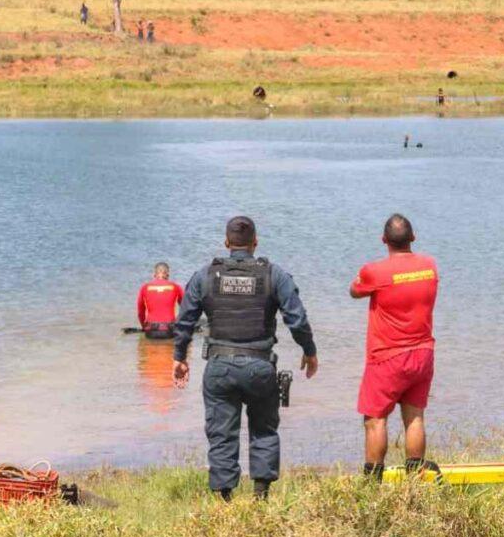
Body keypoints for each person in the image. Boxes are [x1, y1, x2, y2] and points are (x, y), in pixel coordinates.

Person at [173, 216, 319, 501]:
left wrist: (179, 356)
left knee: (221, 434)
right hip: (260, 366)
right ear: (255, 242)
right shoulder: (274, 275)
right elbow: (297, 319)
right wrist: (309, 351)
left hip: (219, 367)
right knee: (263, 431)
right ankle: (260, 498)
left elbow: (185, 319)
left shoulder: (205, 275)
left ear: (227, 243)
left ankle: (224, 501)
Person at [350, 214, 439, 481]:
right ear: (413, 238)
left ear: (384, 240)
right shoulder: (430, 266)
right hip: (422, 354)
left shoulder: (374, 271)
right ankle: (415, 475)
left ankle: (373, 481)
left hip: (387, 357)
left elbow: (354, 291)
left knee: (375, 419)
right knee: (414, 417)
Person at [137, 262, 184, 340]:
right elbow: (186, 308)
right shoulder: (176, 287)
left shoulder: (144, 287)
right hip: (169, 329)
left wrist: (144, 327)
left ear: (154, 275)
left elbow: (140, 312)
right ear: (168, 275)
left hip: (150, 330)